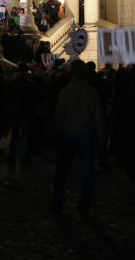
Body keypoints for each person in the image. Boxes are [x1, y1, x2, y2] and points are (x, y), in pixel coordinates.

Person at [50, 60, 105, 216]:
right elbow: (99, 118)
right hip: (87, 134)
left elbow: (59, 116)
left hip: (68, 133)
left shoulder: (65, 92)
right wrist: (101, 137)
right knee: (87, 171)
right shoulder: (93, 93)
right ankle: (85, 202)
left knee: (62, 169)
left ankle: (58, 198)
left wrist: (56, 132)